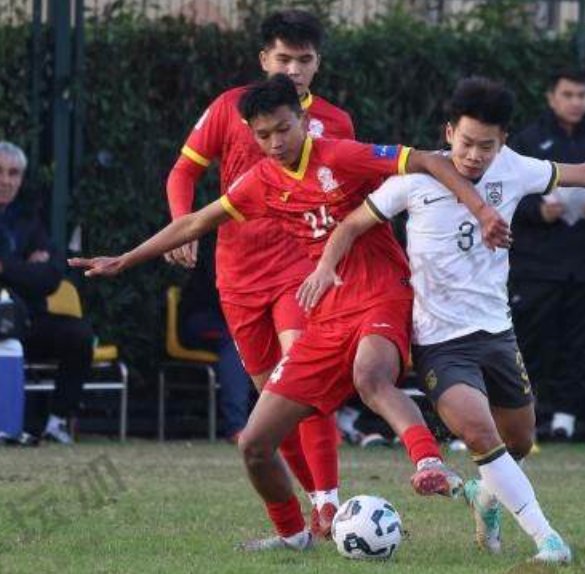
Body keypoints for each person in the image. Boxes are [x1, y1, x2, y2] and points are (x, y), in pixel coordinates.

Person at [71, 73, 509, 551]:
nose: (275, 143)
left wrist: (480, 210)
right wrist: (125, 259)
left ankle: (427, 462)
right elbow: (197, 220)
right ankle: (294, 536)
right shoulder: (259, 181)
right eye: (263, 135)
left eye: (284, 129)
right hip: (327, 311)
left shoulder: (340, 154)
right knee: (254, 444)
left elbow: (426, 159)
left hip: (381, 291)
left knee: (371, 375)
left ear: (303, 119)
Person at [296, 77, 585, 563]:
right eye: (466, 142)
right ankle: (548, 540)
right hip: (439, 341)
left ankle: (487, 497)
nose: (474, 155)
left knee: (518, 441)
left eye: (486, 146)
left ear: (503, 143)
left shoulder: (515, 169)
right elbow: (350, 225)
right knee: (480, 435)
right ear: (449, 132)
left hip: (496, 333)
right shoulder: (414, 178)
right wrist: (326, 267)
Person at [164, 9, 353, 536]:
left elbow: (348, 200)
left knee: (300, 375)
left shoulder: (335, 123)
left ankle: (328, 504)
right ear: (263, 59)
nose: (293, 69)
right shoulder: (230, 108)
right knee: (273, 395)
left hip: (301, 267)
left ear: (317, 64)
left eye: (304, 60)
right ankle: (303, 514)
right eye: (283, 58)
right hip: (238, 273)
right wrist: (185, 224)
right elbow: (184, 171)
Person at [507, 70, 585, 440]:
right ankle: (523, 416)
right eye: (568, 94)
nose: (576, 102)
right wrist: (536, 212)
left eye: (582, 94)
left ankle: (564, 419)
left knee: (578, 347)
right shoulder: (530, 140)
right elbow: (506, 196)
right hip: (538, 266)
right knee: (528, 341)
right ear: (551, 97)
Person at [0, 141, 94, 445]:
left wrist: (6, 267)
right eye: (0, 172)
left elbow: (52, 277)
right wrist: (25, 268)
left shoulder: (29, 220)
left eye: (13, 173)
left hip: (30, 317)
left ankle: (55, 422)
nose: (6, 180)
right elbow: (36, 277)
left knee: (78, 335)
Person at [178, 236, 251, 442]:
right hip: (203, 318)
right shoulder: (220, 245)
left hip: (234, 319)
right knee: (234, 342)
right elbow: (222, 295)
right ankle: (237, 427)